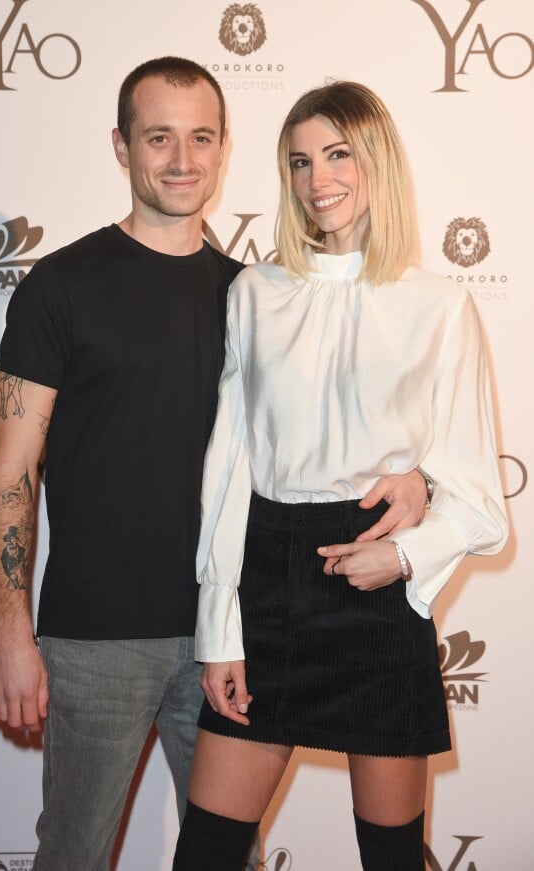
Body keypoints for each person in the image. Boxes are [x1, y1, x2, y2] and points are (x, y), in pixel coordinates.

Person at [0, 61, 426, 870]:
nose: (182, 159)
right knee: (73, 853)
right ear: (122, 147)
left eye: (201, 138)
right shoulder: (61, 286)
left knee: (230, 858)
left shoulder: (257, 294)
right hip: (95, 639)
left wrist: (422, 481)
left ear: (224, 151)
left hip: (236, 632)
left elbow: (338, 434)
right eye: (159, 138)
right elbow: (12, 467)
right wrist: (11, 633)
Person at [172, 81, 509, 871]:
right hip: (268, 586)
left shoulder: (439, 304)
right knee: (207, 856)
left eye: (336, 154)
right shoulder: (254, 292)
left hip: (377, 598)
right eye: (299, 161)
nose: (317, 178)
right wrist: (219, 631)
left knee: (391, 859)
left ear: (375, 162)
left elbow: (481, 504)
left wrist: (402, 556)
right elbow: (230, 471)